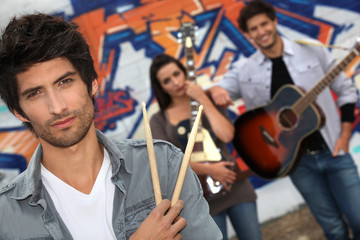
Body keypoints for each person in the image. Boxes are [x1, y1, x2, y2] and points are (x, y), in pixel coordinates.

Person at [0, 13, 223, 240]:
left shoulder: (162, 163)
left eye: (65, 81)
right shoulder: (6, 216)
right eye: (35, 93)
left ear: (93, 84)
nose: (57, 107)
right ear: (19, 112)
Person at [208, 1, 360, 239]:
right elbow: (216, 92)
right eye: (254, 28)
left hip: (333, 149)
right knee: (333, 229)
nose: (261, 32)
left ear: (274, 22)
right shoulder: (245, 70)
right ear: (247, 35)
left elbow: (346, 91)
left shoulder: (312, 50)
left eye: (264, 24)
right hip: (295, 162)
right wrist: (216, 90)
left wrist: (345, 135)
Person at [149, 53, 262, 240]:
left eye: (177, 74)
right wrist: (209, 169)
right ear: (161, 87)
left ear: (185, 73)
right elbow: (167, 160)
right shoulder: (158, 120)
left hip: (235, 185)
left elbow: (227, 134)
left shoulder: (208, 98)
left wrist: (203, 98)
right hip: (199, 200)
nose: (175, 82)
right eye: (166, 81)